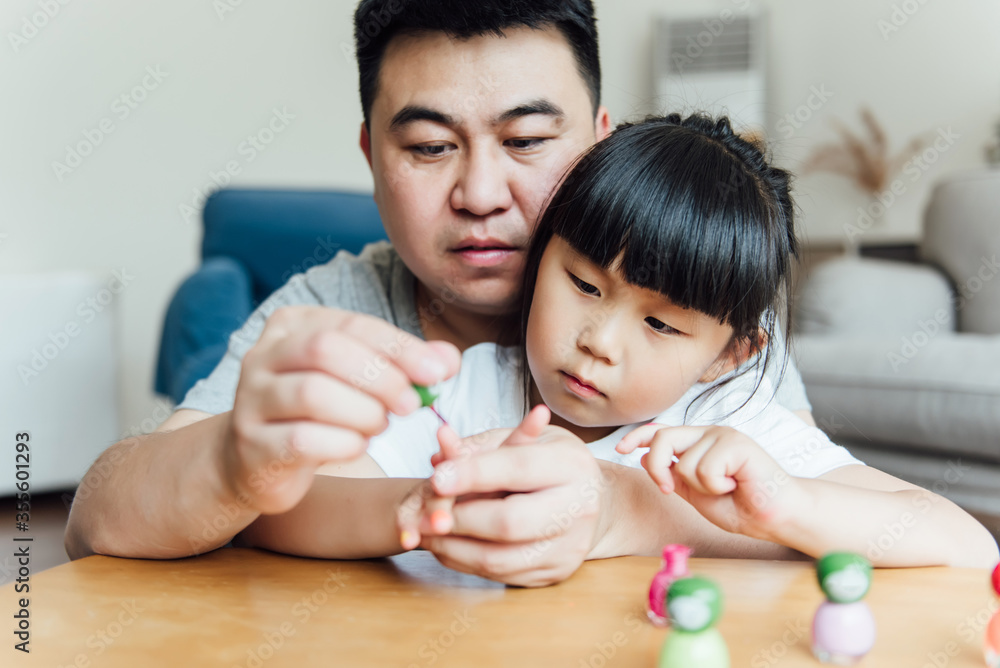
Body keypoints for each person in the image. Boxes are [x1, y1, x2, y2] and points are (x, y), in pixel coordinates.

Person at [63, 0, 843, 584]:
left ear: (601, 141)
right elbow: (94, 521)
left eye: (528, 141)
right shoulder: (330, 309)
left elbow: (804, 516)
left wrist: (622, 506)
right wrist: (236, 464)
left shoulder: (696, 312)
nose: (479, 193)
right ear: (372, 155)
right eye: (431, 147)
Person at [381, 114, 998, 569]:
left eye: (660, 324)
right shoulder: (462, 390)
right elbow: (301, 506)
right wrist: (425, 503)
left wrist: (782, 506)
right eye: (584, 285)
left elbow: (968, 546)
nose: (600, 342)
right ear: (541, 259)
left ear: (728, 356)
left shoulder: (729, 425)